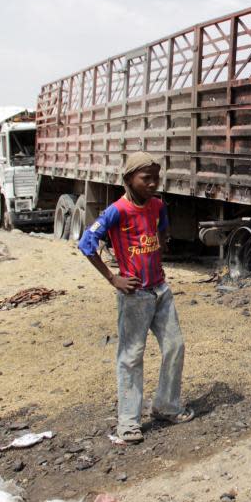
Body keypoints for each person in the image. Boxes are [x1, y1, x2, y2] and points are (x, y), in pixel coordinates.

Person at [77, 152, 192, 443]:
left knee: (175, 346)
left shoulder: (157, 206)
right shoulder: (117, 211)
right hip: (135, 295)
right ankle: (128, 423)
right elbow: (86, 243)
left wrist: (157, 256)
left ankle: (166, 406)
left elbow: (162, 232)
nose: (153, 183)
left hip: (160, 290)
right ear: (128, 179)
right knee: (131, 357)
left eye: (157, 177)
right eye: (146, 178)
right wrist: (113, 277)